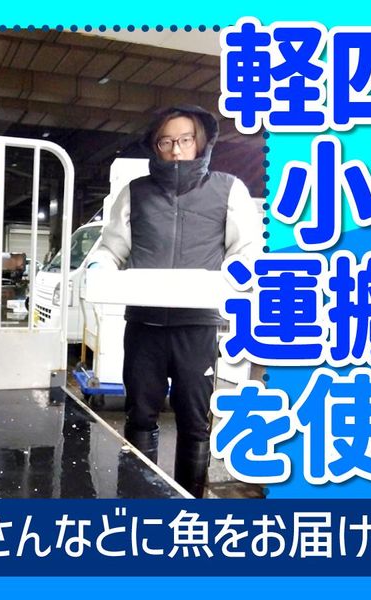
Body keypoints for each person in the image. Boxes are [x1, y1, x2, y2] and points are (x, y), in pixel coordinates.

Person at [89, 105, 261, 497]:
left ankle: (188, 505)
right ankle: (139, 502)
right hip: (144, 326)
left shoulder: (227, 190)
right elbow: (111, 248)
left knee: (195, 421)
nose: (176, 149)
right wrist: (99, 266)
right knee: (140, 416)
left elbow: (245, 253)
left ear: (201, 142)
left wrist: (229, 281)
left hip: (197, 326)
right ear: (156, 146)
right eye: (165, 141)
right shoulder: (136, 192)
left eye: (184, 139)